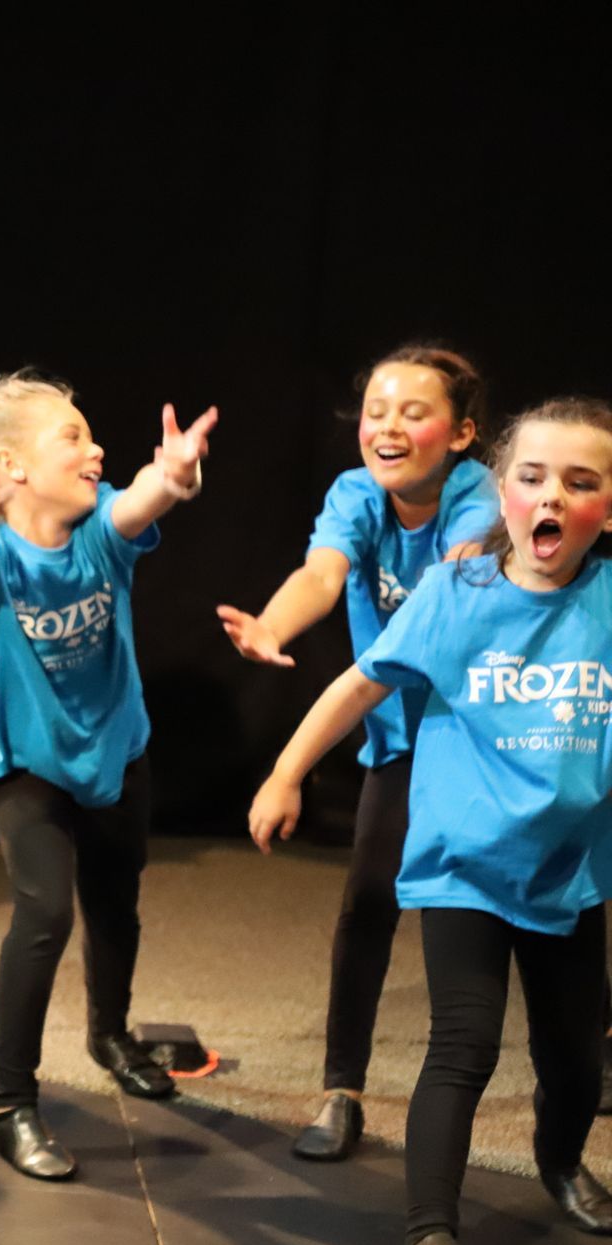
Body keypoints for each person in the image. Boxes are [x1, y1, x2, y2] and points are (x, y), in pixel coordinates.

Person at [251, 396, 612, 1245]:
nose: (551, 498)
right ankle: (428, 1234)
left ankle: (561, 1161)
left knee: (572, 1058)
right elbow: (357, 688)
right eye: (530, 478)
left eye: (581, 481)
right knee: (464, 1041)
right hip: (464, 866)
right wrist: (285, 772)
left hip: (570, 870)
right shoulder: (457, 594)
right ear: (502, 493)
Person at [0, 373, 215, 1180]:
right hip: (28, 763)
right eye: (73, 439)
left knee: (117, 900)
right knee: (44, 914)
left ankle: (108, 1033)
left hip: (117, 748)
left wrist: (174, 475)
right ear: (9, 468)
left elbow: (140, 500)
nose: (96, 451)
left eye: (91, 437)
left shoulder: (99, 534)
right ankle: (12, 1104)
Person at [216, 346, 494, 1160]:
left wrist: (293, 765)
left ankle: (590, 1050)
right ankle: (342, 1090)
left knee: (541, 906)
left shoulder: (480, 499)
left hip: (483, 739)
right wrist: (271, 624)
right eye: (377, 411)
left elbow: (447, 596)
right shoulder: (356, 497)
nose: (388, 427)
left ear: (463, 433)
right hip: (400, 739)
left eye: (415, 412)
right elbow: (322, 573)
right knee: (368, 904)